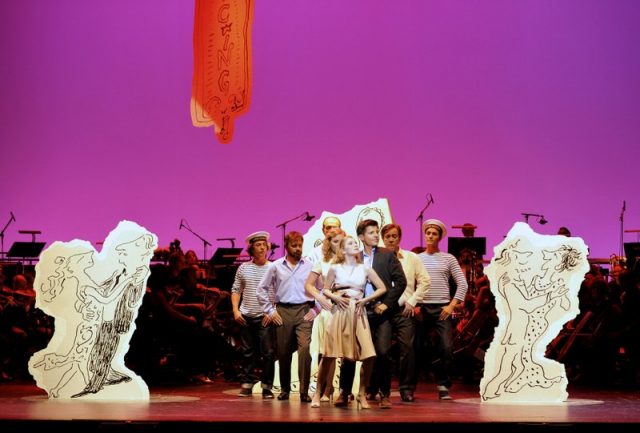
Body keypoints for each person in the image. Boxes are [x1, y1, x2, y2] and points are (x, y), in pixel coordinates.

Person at [306, 236, 387, 409]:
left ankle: (362, 394)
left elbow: (382, 287)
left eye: (355, 242)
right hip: (340, 311)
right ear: (342, 250)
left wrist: (366, 300)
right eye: (350, 243)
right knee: (329, 355)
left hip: (358, 312)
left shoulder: (365, 269)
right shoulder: (334, 268)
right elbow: (326, 289)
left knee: (369, 355)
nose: (355, 244)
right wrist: (335, 296)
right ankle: (317, 393)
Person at [336, 219, 406, 409]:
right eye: (371, 232)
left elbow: (400, 282)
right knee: (350, 353)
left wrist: (386, 304)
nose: (376, 235)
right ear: (361, 237)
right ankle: (344, 392)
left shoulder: (387, 255)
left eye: (377, 232)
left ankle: (384, 394)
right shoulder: (354, 256)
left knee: (382, 352)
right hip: (358, 311)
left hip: (381, 311)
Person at [257, 231, 317, 402]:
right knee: (283, 352)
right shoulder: (275, 266)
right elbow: (261, 289)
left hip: (304, 310)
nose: (298, 249)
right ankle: (285, 389)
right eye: (294, 246)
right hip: (283, 310)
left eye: (300, 246)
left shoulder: (310, 265)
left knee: (304, 348)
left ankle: (304, 391)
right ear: (286, 246)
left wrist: (316, 310)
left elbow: (321, 288)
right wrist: (269, 310)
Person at [416, 219, 468, 400]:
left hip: (442, 308)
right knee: (414, 347)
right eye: (428, 233)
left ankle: (443, 386)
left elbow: (463, 284)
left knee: (447, 347)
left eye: (434, 234)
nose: (430, 236)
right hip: (421, 308)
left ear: (439, 237)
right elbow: (411, 283)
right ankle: (409, 387)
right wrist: (415, 305)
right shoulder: (417, 258)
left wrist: (452, 305)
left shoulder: (448, 258)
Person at [380, 223, 431, 402]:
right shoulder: (377, 258)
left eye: (394, 236)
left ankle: (407, 388)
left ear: (399, 238)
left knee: (407, 349)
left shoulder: (411, 258)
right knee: (382, 350)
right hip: (383, 310)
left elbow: (425, 281)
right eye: (388, 236)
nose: (391, 239)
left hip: (404, 309)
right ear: (383, 238)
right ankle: (379, 389)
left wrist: (413, 300)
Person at [231, 231, 276, 398]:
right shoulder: (244, 268)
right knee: (247, 352)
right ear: (251, 249)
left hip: (264, 316)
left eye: (264, 244)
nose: (262, 247)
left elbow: (279, 292)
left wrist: (272, 311)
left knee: (268, 352)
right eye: (258, 245)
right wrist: (236, 310)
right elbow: (236, 290)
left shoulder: (273, 268)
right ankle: (247, 383)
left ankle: (267, 386)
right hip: (246, 316)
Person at [305, 227, 346, 402]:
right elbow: (309, 285)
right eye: (334, 241)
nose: (339, 244)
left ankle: (338, 390)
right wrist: (320, 299)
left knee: (346, 353)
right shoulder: (322, 262)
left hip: (347, 309)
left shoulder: (352, 262)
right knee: (327, 353)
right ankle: (321, 389)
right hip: (329, 310)